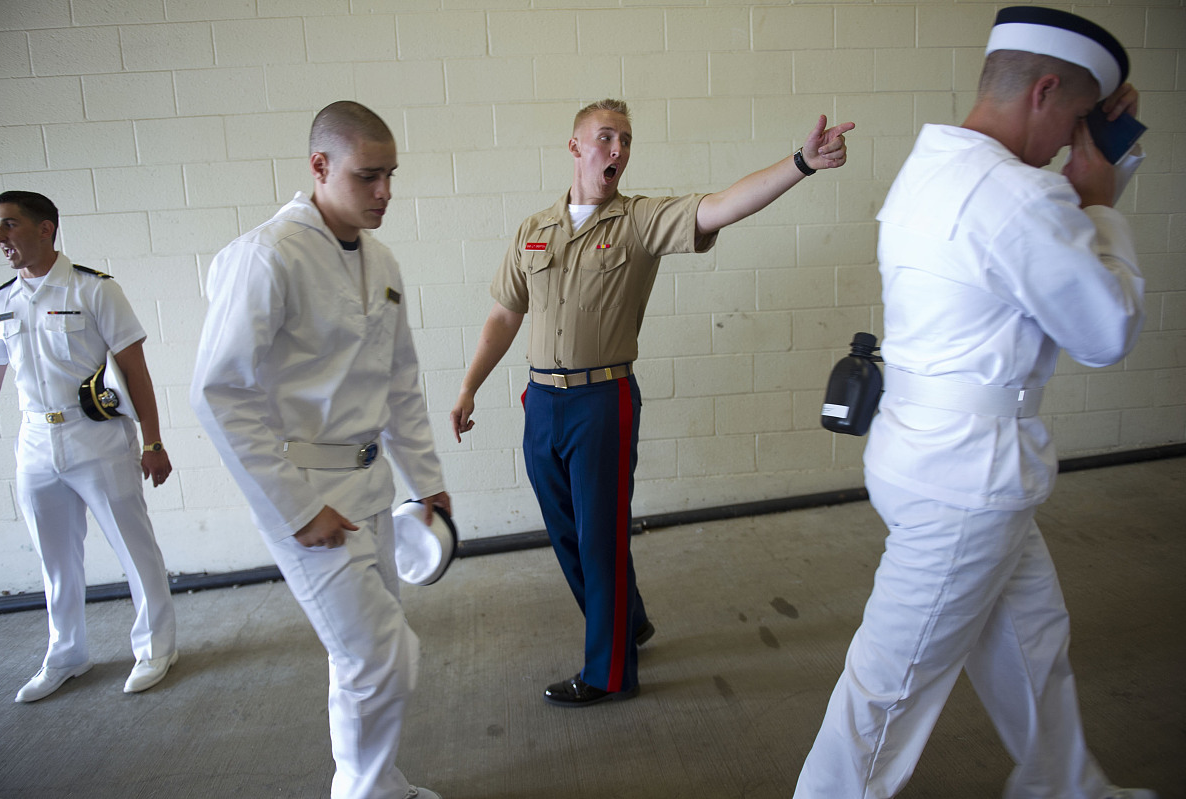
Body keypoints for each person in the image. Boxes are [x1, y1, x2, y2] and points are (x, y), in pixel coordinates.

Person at [793, 8, 1156, 799]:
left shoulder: (935, 164)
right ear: (1045, 90)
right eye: (1074, 117)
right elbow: (1106, 330)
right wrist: (1101, 198)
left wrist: (1087, 187)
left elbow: (1033, 260)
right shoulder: (1019, 195)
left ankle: (1067, 788)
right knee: (886, 691)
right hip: (966, 481)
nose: (1068, 141)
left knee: (1033, 641)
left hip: (928, 454)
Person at [450, 99, 854, 707]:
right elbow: (504, 316)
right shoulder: (534, 230)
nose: (617, 149)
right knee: (566, 533)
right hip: (542, 403)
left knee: (600, 539)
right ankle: (628, 621)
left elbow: (723, 205)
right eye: (605, 137)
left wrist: (801, 162)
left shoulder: (639, 221)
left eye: (626, 140)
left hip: (602, 401)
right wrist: (469, 386)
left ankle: (610, 672)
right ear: (575, 146)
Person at [191, 101, 448, 799]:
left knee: (361, 655)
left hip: (374, 486)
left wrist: (426, 480)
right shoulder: (267, 256)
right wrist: (297, 509)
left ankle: (377, 783)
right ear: (320, 166)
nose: (385, 192)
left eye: (391, 175)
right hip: (308, 490)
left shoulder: (381, 261)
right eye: (368, 176)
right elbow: (218, 394)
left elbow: (400, 383)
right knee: (384, 655)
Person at [0, 191, 178, 702]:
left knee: (134, 548)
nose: (0, 236)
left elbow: (135, 372)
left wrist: (153, 441)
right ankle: (66, 654)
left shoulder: (94, 289)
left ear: (45, 228)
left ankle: (156, 647)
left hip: (97, 437)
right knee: (55, 560)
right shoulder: (0, 301)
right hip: (35, 440)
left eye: (9, 224)